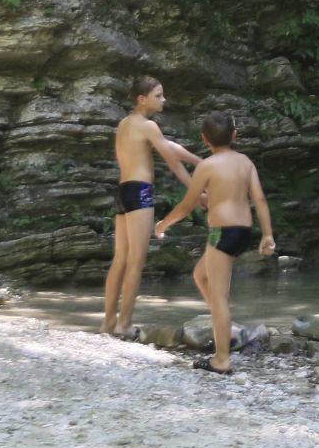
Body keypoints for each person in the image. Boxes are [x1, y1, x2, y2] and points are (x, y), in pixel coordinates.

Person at [153, 112, 276, 374]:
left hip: (222, 233)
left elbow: (187, 205)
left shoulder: (206, 166)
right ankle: (226, 330)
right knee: (201, 275)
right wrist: (267, 234)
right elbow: (260, 200)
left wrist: (163, 224)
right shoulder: (245, 162)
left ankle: (222, 359)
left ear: (204, 139)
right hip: (243, 232)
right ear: (235, 135)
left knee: (219, 297)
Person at [100, 75, 200, 336]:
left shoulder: (125, 124)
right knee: (136, 260)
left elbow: (170, 147)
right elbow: (173, 162)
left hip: (123, 191)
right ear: (142, 99)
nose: (163, 99)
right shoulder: (149, 126)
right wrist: (196, 189)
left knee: (120, 258)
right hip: (141, 192)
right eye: (158, 95)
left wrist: (199, 161)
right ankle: (125, 324)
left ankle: (108, 322)